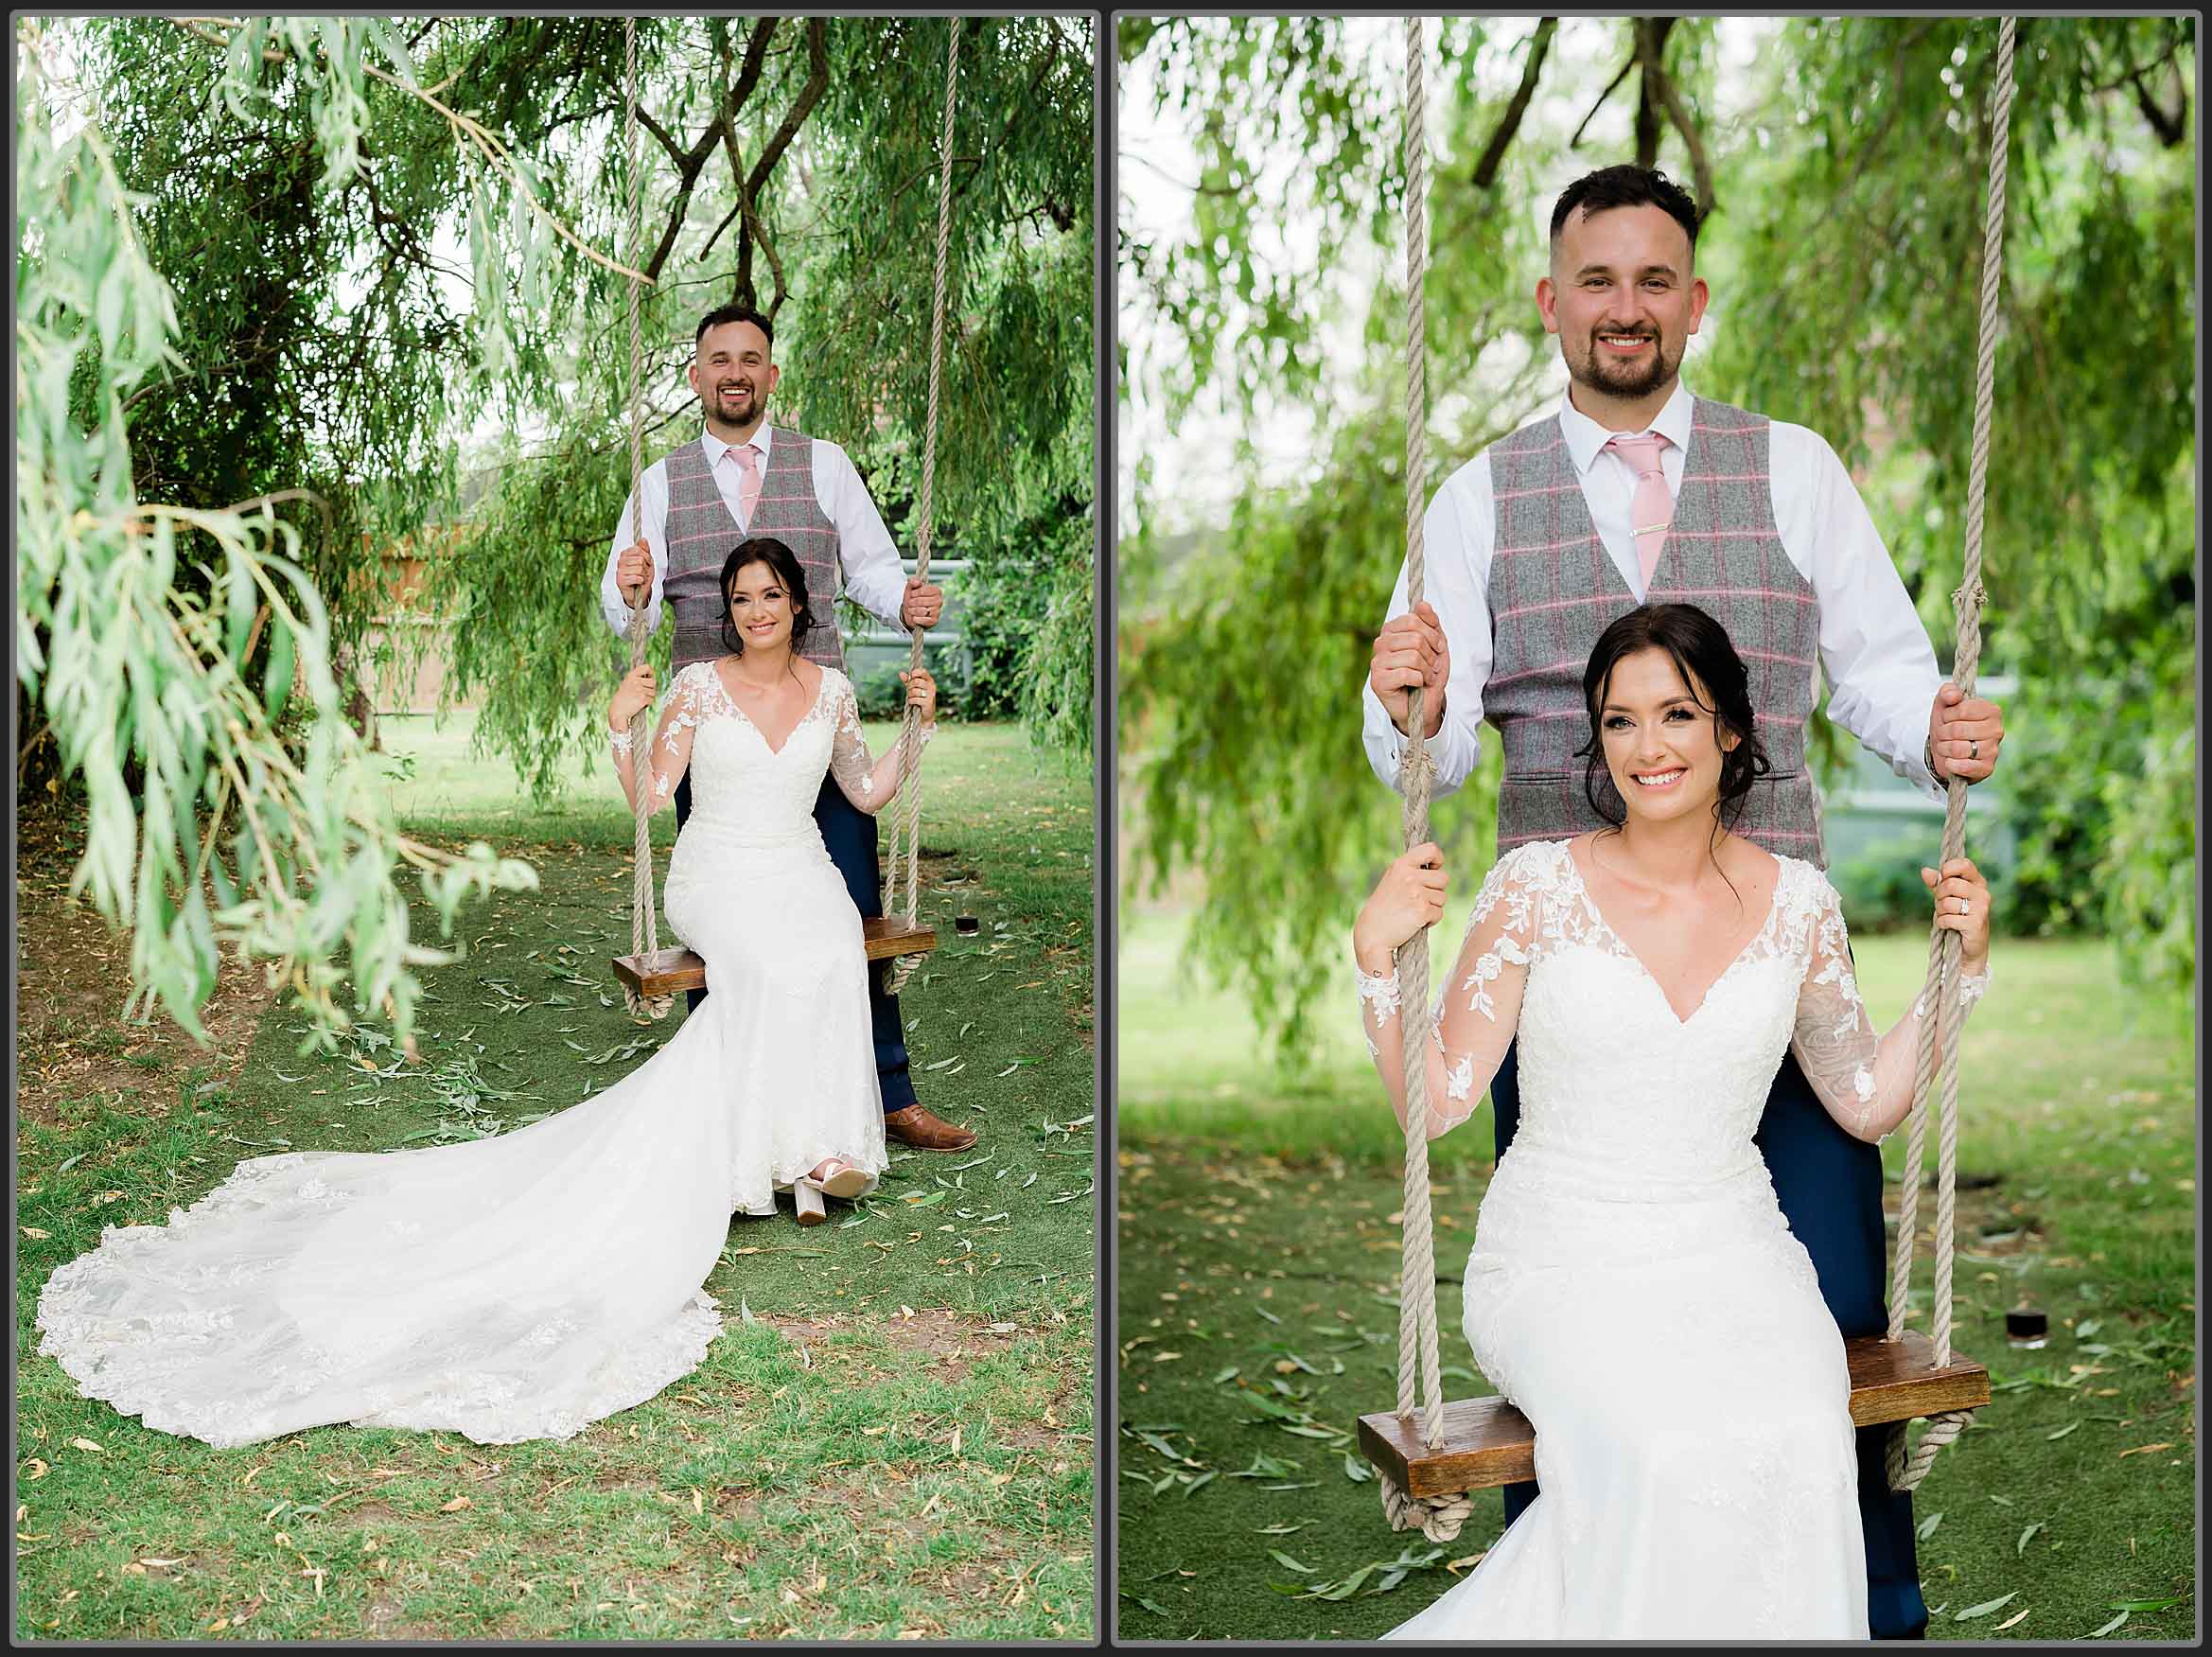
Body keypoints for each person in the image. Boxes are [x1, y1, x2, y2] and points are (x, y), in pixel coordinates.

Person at [1361, 163, 2007, 1638]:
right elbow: (1432, 737)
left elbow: (1883, 667)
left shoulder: (1790, 467)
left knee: (1827, 1313)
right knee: (1604, 1351)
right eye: (1597, 279)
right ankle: (1599, 1593)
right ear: (1551, 300)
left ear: (1693, 301)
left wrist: (1935, 729)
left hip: (1773, 967)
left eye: (1655, 279)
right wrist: (1409, 697)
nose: (1625, 307)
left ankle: (1866, 1601)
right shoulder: (1477, 497)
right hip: (1571, 974)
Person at [34, 541, 936, 1449]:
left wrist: (914, 735)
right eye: (741, 598)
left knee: (825, 948)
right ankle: (792, 1158)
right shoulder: (698, 685)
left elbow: (861, 790)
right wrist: (622, 726)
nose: (754, 611)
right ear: (730, 610)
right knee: (771, 960)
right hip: (721, 877)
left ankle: (813, 1156)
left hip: (800, 867)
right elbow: (649, 797)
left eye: (769, 595)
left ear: (797, 603)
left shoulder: (831, 691)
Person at [1355, 604, 1993, 1639]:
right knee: (1654, 1441)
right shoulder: (1534, 888)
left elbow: (1865, 1098)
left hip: (1733, 1248)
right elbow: (1434, 1102)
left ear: (1731, 728)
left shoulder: (1799, 904)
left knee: (1797, 1427)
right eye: (1619, 721)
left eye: (1676, 714)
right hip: (1561, 1258)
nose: (1647, 747)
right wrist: (1378, 958)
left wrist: (1954, 972)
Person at [602, 300, 975, 1154]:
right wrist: (629, 585)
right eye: (719, 360)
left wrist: (904, 599)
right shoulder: (659, 483)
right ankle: (726, 1101)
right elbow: (628, 600)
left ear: (772, 374)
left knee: (849, 908)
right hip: (716, 734)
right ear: (696, 377)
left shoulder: (826, 465)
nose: (735, 372)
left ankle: (886, 1092)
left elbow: (874, 567)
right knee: (731, 926)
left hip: (814, 725)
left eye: (751, 359)